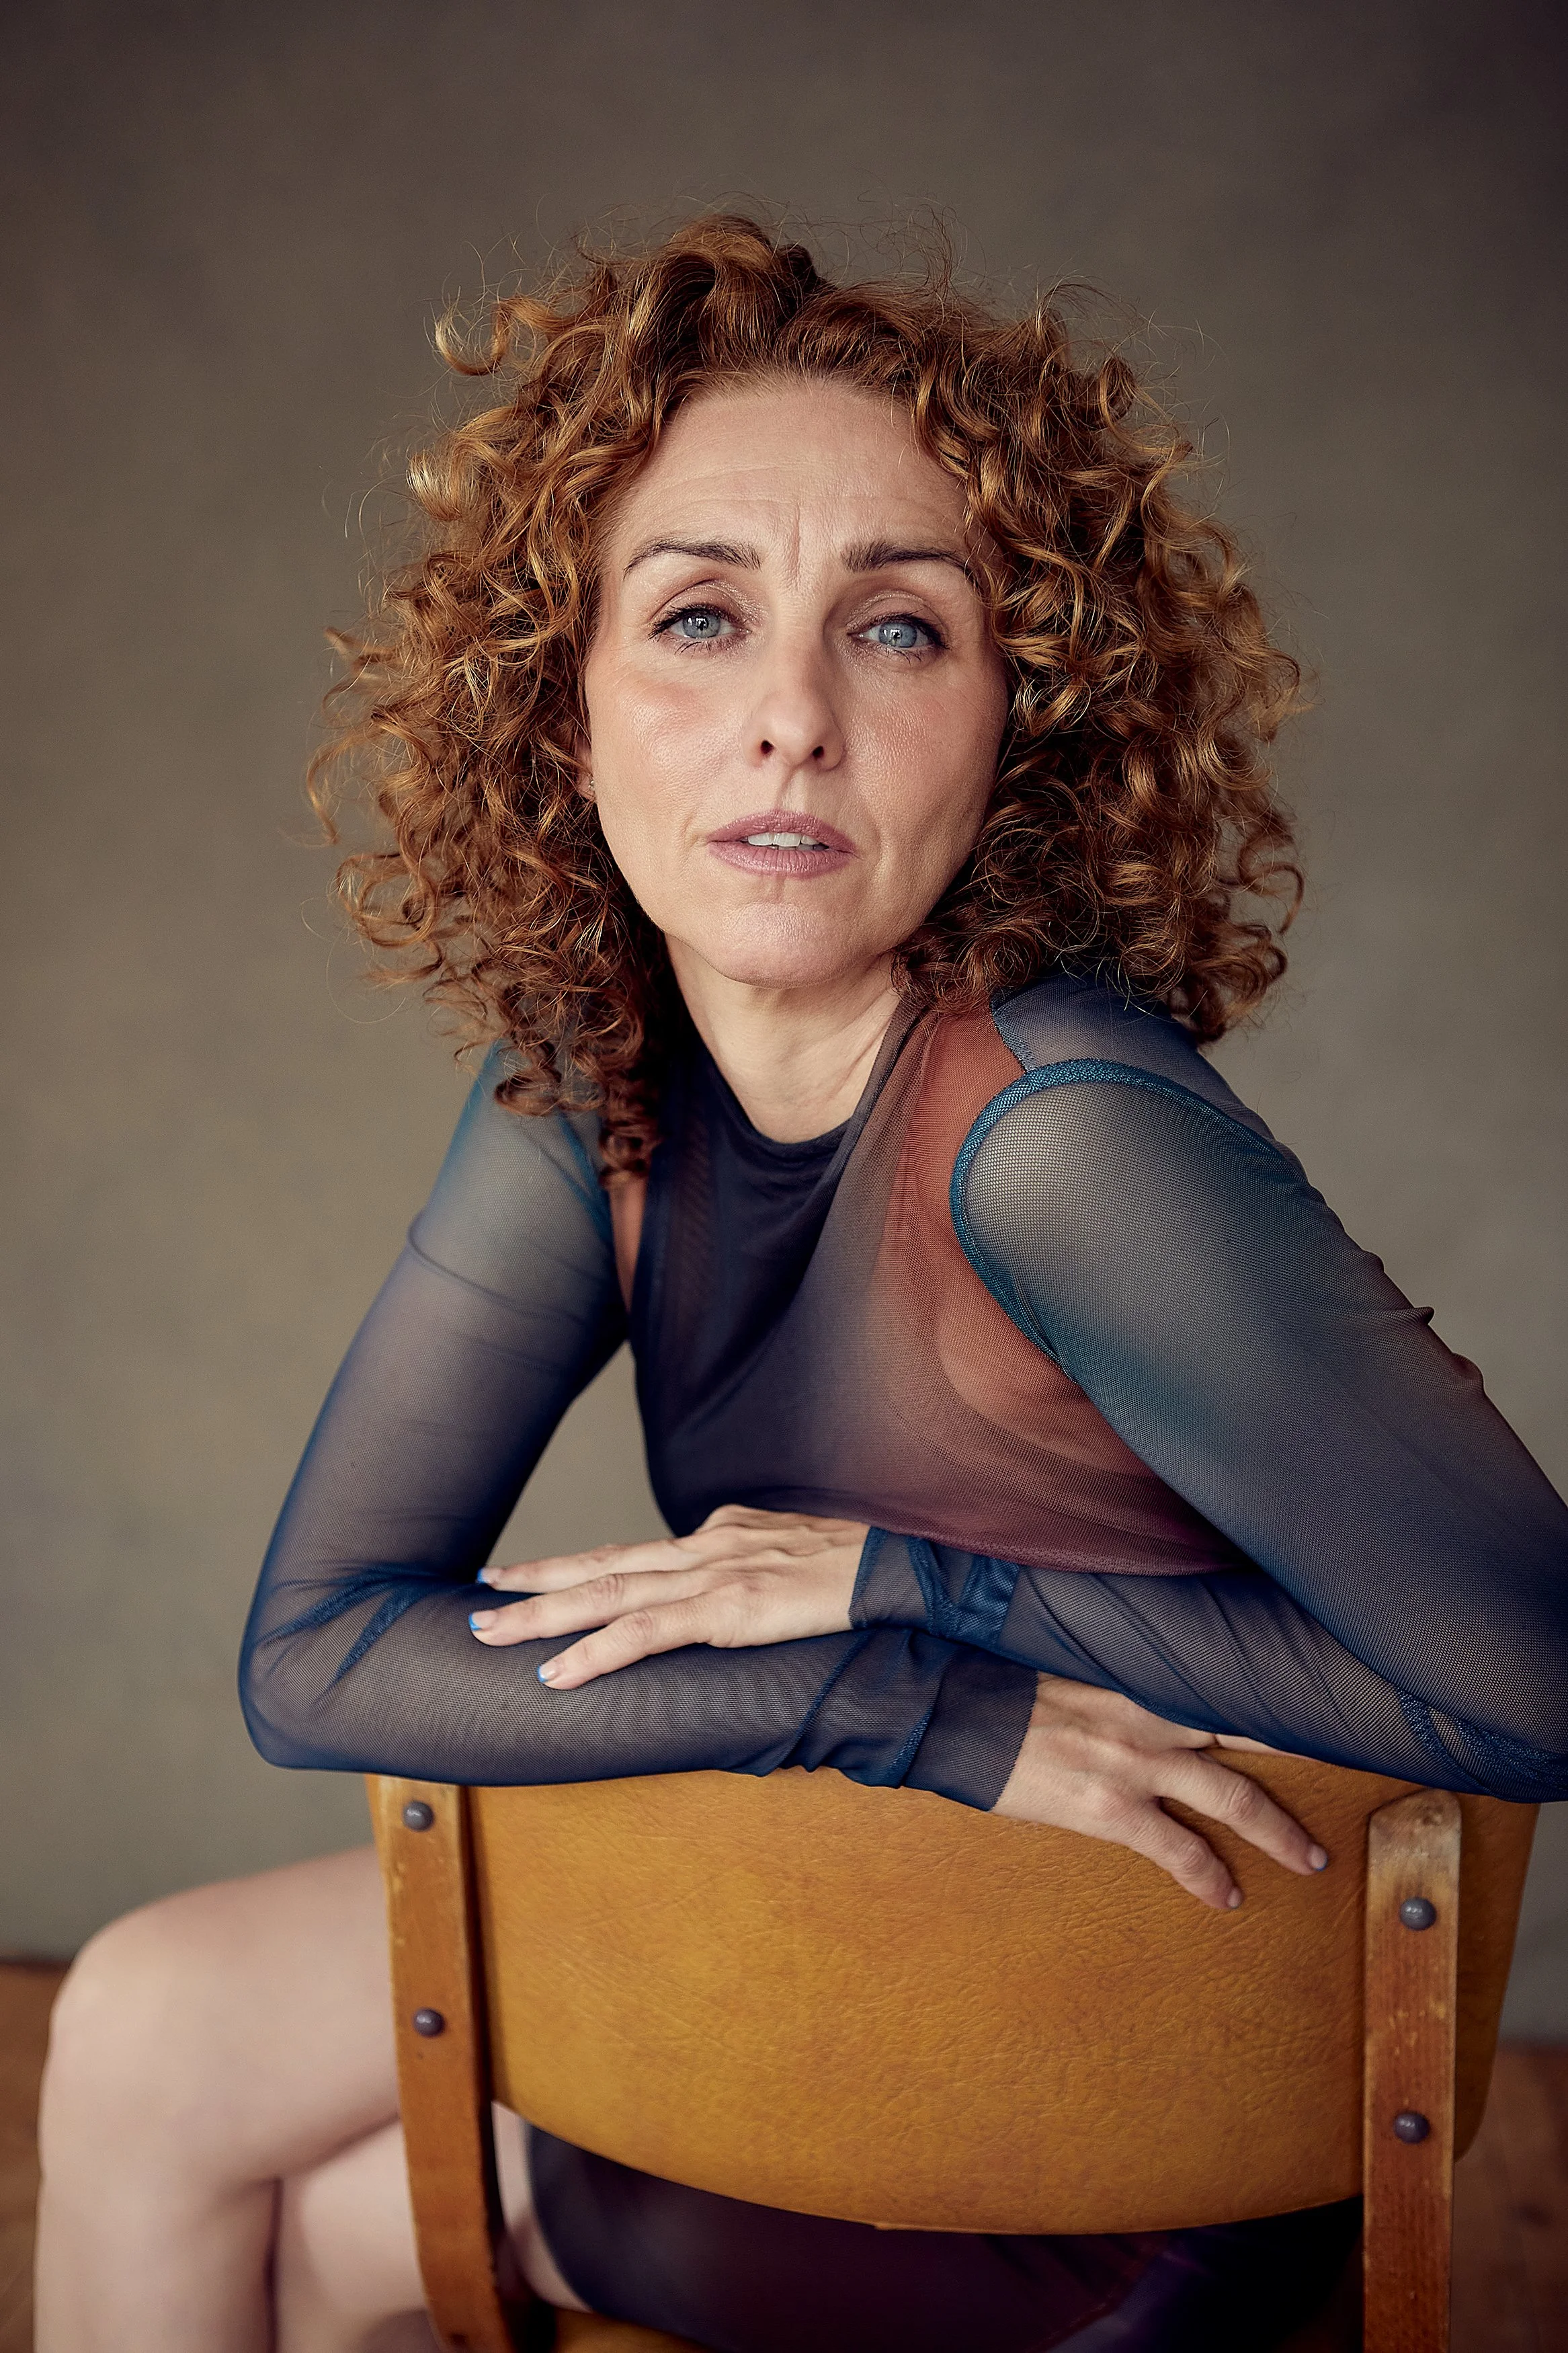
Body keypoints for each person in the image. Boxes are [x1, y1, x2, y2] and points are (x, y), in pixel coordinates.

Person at [36, 215, 1567, 2353]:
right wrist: (905, 1700)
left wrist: (908, 1589)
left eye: (901, 632)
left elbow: (1535, 1682)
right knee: (147, 2039)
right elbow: (316, 1659)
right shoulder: (589, 1098)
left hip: (1122, 2124)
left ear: (1018, 717)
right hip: (816, 1945)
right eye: (694, 618)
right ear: (554, 712)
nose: (787, 722)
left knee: (295, 2187)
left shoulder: (1061, 1132)